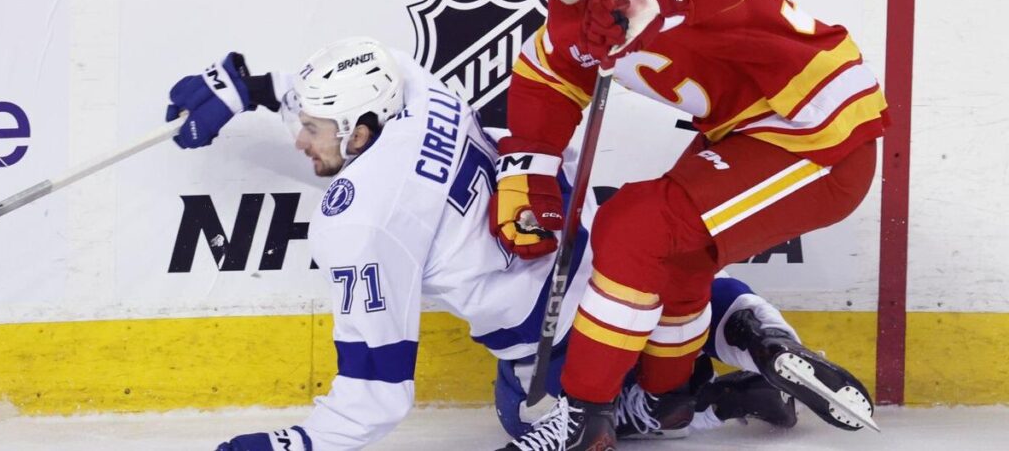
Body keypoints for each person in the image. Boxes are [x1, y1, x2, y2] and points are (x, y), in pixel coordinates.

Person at [165, 37, 873, 451]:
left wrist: (291, 444)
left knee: (548, 410)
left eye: (313, 130)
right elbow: (356, 70)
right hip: (603, 272)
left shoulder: (360, 224)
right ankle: (758, 338)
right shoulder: (415, 89)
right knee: (676, 280)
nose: (299, 138)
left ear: (359, 132)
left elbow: (376, 397)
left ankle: (694, 404)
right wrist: (255, 86)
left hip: (550, 350)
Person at [494, 0, 888, 448]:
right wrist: (530, 171)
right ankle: (666, 399)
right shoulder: (573, 10)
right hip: (747, 134)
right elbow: (551, 74)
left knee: (634, 226)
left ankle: (583, 414)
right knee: (674, 254)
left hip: (815, 132)